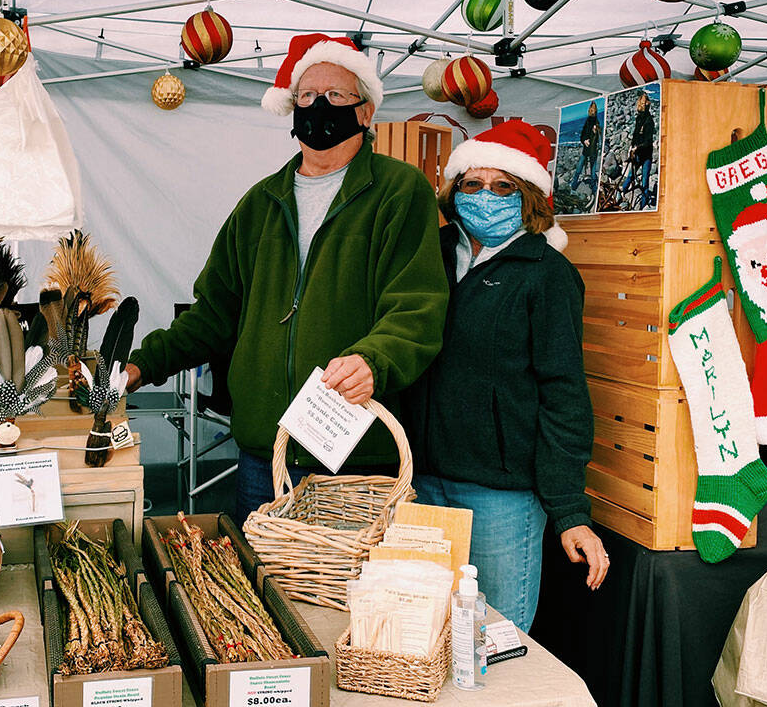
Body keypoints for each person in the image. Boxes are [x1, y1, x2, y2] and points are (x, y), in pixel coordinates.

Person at [125, 33, 449, 523]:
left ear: (366, 112)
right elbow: (214, 312)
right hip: (264, 453)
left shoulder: (399, 192)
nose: (320, 105)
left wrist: (374, 360)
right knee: (266, 590)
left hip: (355, 458)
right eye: (307, 95)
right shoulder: (260, 203)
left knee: (341, 596)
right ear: (290, 108)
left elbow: (416, 305)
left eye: (337, 95)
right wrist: (140, 367)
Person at [403, 120, 608, 632]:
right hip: (421, 483)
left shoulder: (547, 274)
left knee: (495, 638)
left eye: (503, 186)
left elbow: (564, 395)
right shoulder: (428, 254)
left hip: (500, 498)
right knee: (423, 632)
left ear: (530, 197)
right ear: (454, 190)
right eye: (472, 184)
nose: (486, 196)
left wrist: (569, 510)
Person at [619, 90, 656, 207]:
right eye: (640, 104)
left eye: (642, 104)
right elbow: (635, 135)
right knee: (631, 175)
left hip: (645, 154)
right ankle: (622, 193)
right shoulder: (639, 118)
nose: (640, 107)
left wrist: (636, 148)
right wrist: (632, 146)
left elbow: (648, 141)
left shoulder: (649, 121)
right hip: (638, 154)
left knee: (645, 181)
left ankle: (643, 206)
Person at [569, 101, 601, 192]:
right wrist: (584, 141)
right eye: (592, 110)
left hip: (593, 149)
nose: (593, 112)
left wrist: (595, 132)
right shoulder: (588, 121)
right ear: (589, 110)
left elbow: (598, 137)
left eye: (594, 110)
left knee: (593, 168)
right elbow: (582, 135)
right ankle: (574, 184)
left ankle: (593, 186)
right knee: (580, 166)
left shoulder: (597, 122)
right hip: (587, 149)